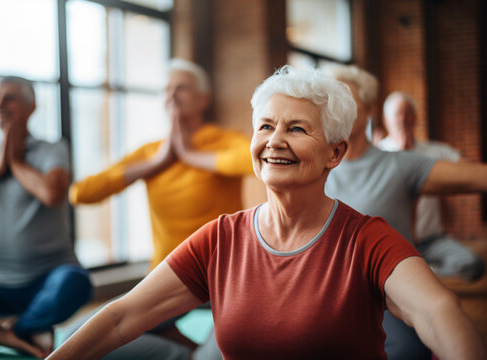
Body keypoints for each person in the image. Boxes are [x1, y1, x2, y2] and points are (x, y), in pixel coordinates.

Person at [46, 66, 485, 360]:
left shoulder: (366, 238)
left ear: (335, 152)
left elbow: (437, 312)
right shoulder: (220, 238)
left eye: (296, 128)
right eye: (265, 126)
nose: (275, 140)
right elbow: (123, 316)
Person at [68, 59, 253, 359]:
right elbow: (81, 193)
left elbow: (253, 162)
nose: (172, 95)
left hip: (224, 277)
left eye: (181, 87)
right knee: (76, 338)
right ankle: (183, 350)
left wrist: (190, 154)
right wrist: (156, 164)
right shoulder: (151, 153)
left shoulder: (222, 140)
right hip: (169, 279)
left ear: (204, 99)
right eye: (166, 89)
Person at [322, 63, 487, 360]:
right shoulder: (313, 166)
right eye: (329, 99)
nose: (336, 107)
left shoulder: (400, 164)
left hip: (383, 293)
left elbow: (477, 175)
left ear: (370, 109)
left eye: (346, 98)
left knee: (408, 350)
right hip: (323, 291)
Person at [0, 76, 93, 358]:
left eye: (9, 97)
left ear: (31, 106)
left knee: (78, 283)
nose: (0, 104)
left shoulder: (52, 149)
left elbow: (52, 194)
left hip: (48, 280)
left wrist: (14, 163)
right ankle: (9, 334)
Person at [378, 91, 485, 282]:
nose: (404, 119)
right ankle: (422, 276)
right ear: (386, 120)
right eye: (398, 114)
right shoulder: (378, 154)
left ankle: (427, 274)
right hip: (392, 244)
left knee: (473, 265)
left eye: (408, 113)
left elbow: (472, 170)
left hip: (432, 240)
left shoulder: (435, 150)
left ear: (416, 118)